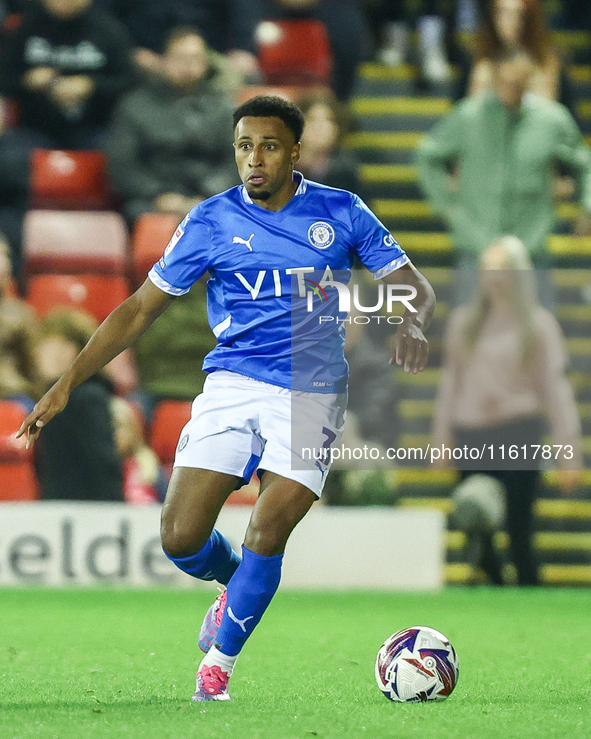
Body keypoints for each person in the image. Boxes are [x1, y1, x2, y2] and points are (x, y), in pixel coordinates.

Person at [16, 95, 436, 701]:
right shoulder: (211, 220)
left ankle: (218, 667)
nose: (254, 159)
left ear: (295, 152)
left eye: (268, 146)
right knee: (180, 537)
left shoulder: (342, 212)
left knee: (269, 529)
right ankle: (236, 586)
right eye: (244, 147)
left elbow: (411, 287)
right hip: (234, 384)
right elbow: (139, 309)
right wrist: (66, 384)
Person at [432, 236, 582, 585]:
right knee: (475, 519)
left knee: (518, 525)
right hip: (473, 433)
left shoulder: (540, 327)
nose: (494, 277)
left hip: (520, 431)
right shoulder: (463, 324)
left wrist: (568, 451)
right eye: (488, 269)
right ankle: (494, 584)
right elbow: (450, 386)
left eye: (503, 269)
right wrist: (442, 437)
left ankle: (529, 589)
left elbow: (556, 390)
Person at [417, 50, 591, 270]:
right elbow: (427, 156)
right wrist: (447, 208)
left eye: (517, 82)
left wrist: (588, 206)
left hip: (530, 247)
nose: (510, 88)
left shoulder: (551, 121)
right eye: (505, 82)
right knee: (468, 306)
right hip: (477, 245)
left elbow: (585, 163)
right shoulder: (469, 117)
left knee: (536, 305)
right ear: (495, 79)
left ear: (528, 81)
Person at [105, 27, 238, 224]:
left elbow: (238, 161)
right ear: (164, 60)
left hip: (212, 200)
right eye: (180, 58)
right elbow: (122, 163)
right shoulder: (134, 105)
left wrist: (208, 196)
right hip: (151, 202)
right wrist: (159, 194)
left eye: (195, 59)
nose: (188, 66)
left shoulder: (225, 108)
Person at [34, 308, 123, 501]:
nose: (37, 353)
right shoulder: (67, 398)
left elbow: (103, 464)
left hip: (82, 516)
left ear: (70, 350)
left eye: (44, 345)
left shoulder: (86, 397)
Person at [296, 89, 364, 198]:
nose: (320, 127)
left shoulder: (345, 171)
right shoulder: (281, 168)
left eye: (328, 120)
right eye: (312, 119)